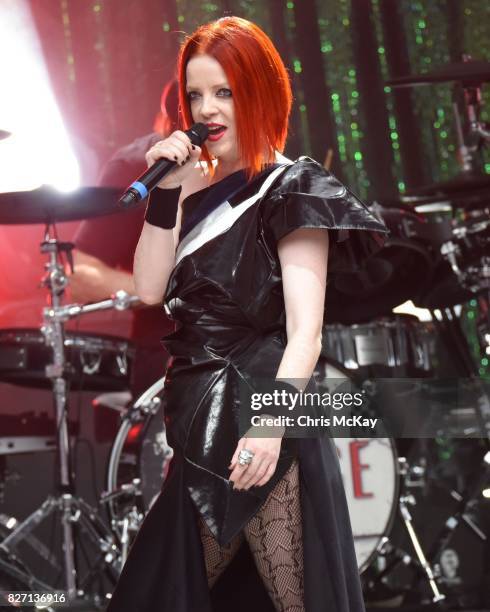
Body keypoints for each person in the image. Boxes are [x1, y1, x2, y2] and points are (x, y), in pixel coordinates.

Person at [106, 16, 388, 612]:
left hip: (258, 422)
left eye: (224, 92)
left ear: (259, 93)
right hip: (198, 424)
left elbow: (306, 335)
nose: (207, 109)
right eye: (195, 95)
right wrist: (163, 194)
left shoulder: (294, 188)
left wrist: (269, 428)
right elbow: (150, 289)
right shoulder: (190, 190)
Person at [70, 80, 179, 399]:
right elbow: (79, 275)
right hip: (169, 360)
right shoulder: (133, 166)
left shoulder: (263, 169)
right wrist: (164, 288)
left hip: (256, 357)